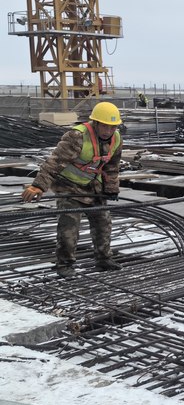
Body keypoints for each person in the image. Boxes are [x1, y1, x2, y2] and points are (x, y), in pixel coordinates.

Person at [21, 101, 124, 278]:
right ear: (96, 123)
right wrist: (38, 185)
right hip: (68, 186)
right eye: (105, 126)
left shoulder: (116, 139)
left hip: (92, 186)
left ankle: (104, 259)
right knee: (69, 226)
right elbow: (55, 162)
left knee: (103, 222)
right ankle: (65, 264)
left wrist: (111, 189)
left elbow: (112, 167)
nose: (108, 131)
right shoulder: (77, 136)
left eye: (112, 127)